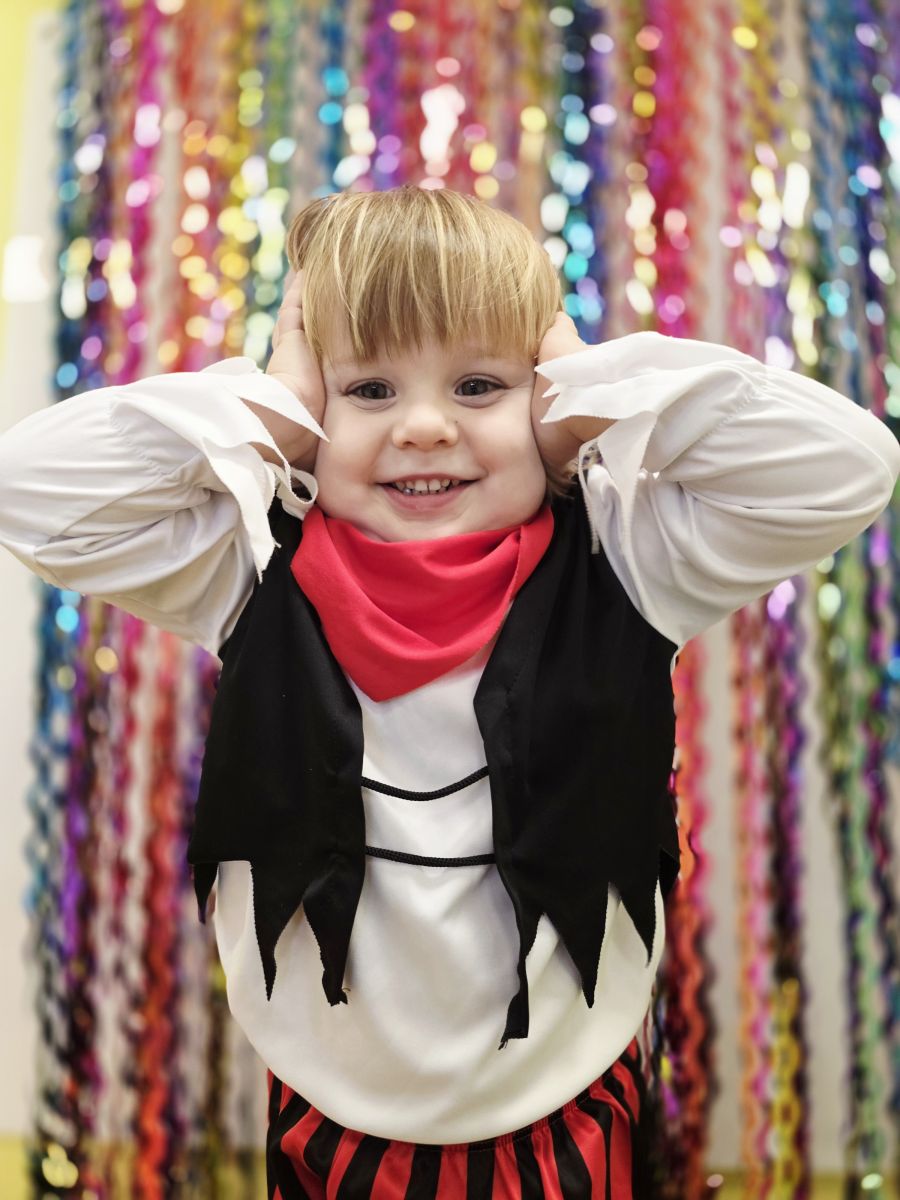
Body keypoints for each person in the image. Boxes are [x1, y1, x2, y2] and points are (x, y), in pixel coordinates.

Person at [0, 184, 897, 1200]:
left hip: (566, 1112)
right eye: (369, 389)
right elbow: (28, 488)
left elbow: (850, 466)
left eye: (478, 385)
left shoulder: (630, 557)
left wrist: (582, 384)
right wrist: (276, 402)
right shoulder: (248, 564)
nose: (424, 427)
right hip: (329, 1121)